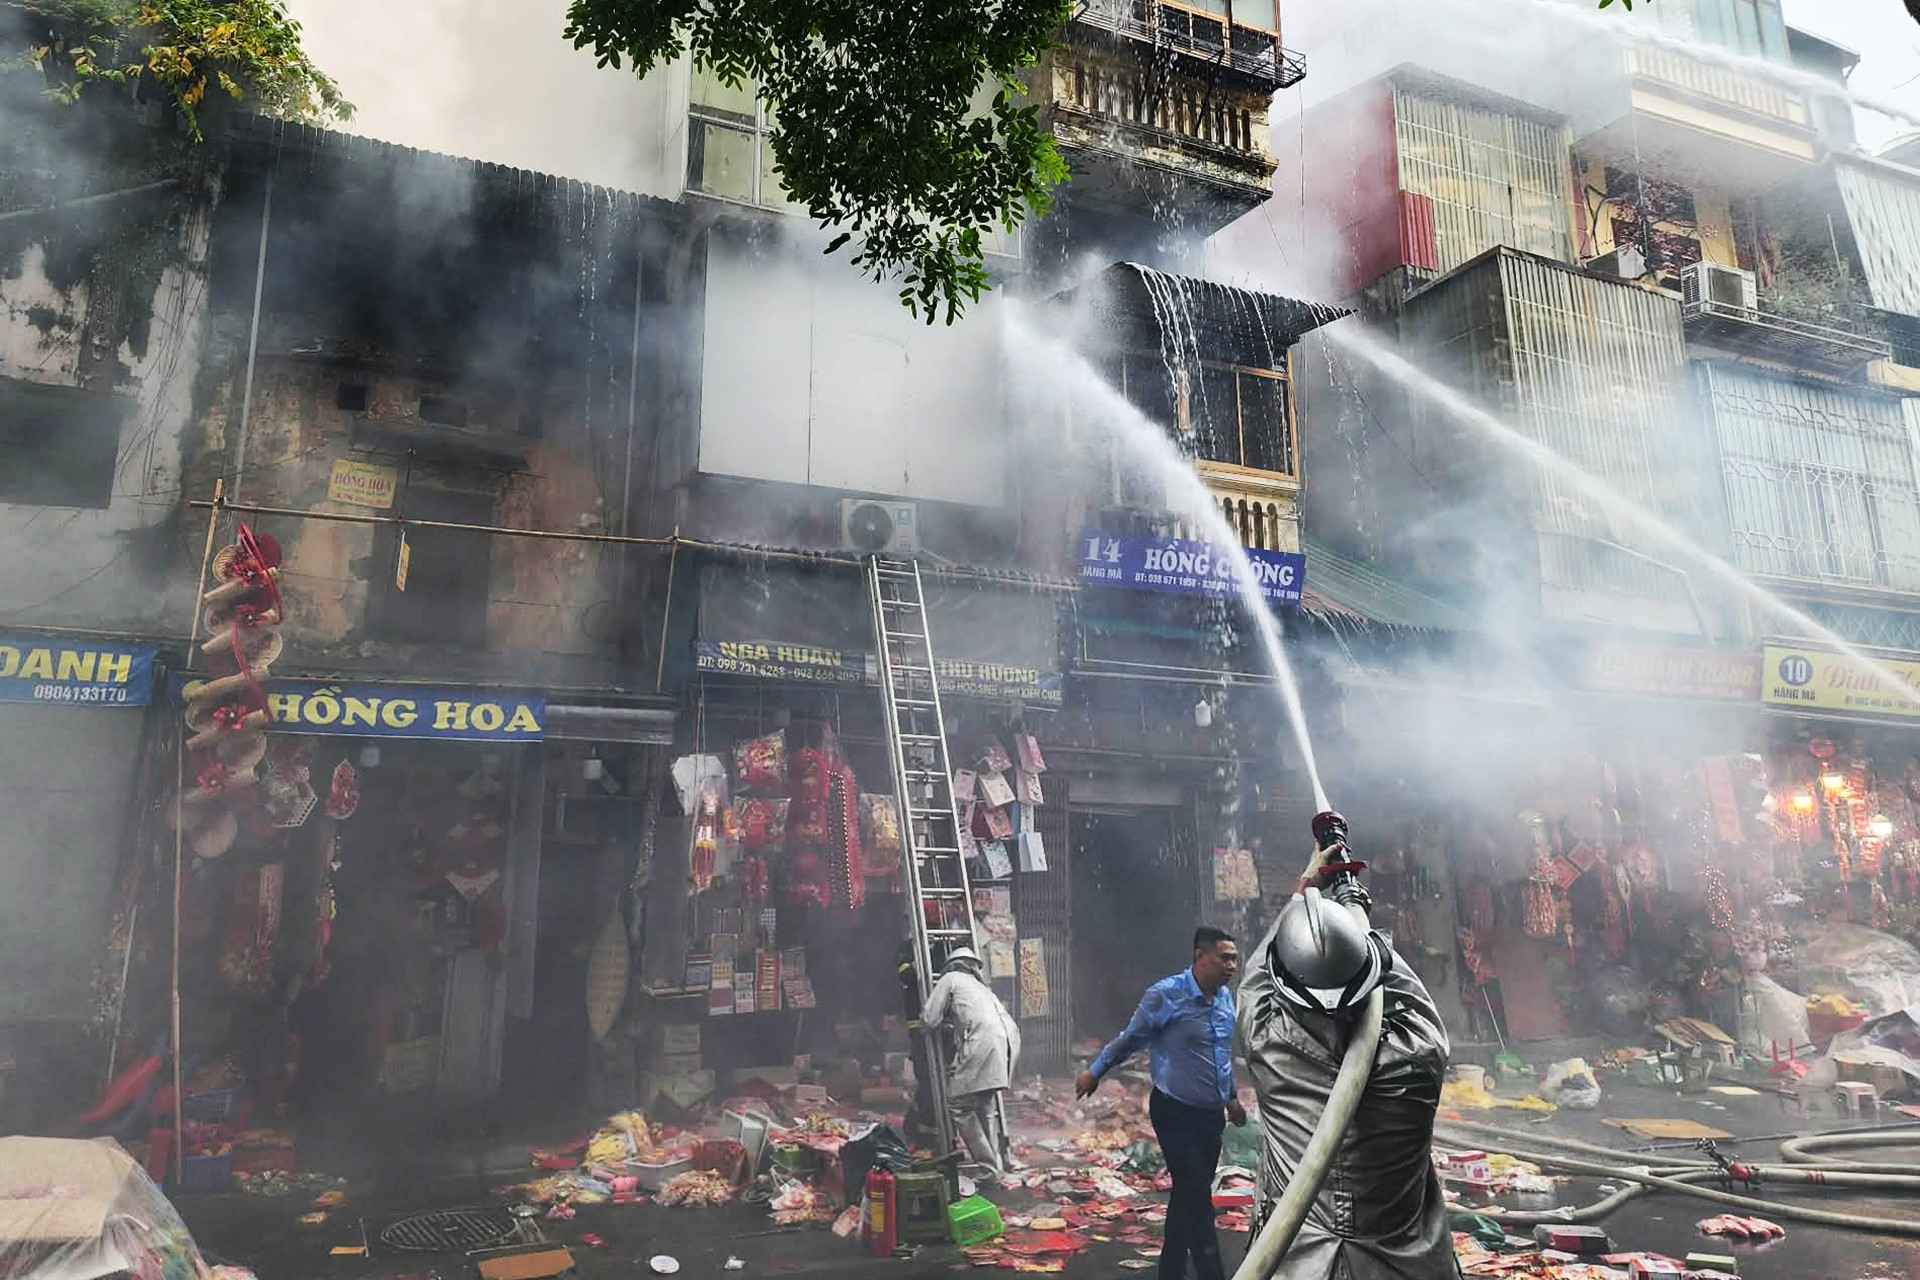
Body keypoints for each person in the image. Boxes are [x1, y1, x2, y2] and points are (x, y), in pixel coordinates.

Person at [1235, 845, 1455, 1280]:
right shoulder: (1420, 1055)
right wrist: (1356, 913)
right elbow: (1408, 993)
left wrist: (1304, 891)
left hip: (1299, 1267)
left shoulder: (1269, 1047)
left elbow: (1256, 977)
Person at [1076, 927, 1245, 1280]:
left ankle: (1170, 1272)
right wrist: (1095, 1071)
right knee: (1197, 1194)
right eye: (1224, 957)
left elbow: (1221, 1056)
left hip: (1210, 1117)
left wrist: (1231, 1100)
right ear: (1200, 957)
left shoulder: (1226, 998)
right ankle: (1211, 1273)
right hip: (1175, 1111)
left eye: (1234, 958)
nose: (1232, 965)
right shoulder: (1167, 995)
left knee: (1189, 1193)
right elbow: (1131, 1038)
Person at [921, 945, 1021, 1181]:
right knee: (985, 1104)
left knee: (958, 1104)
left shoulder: (950, 978)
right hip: (1007, 1040)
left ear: (953, 965)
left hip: (983, 1040)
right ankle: (995, 1166)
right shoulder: (983, 988)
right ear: (974, 966)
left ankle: (988, 1167)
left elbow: (929, 1018)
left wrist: (922, 1028)